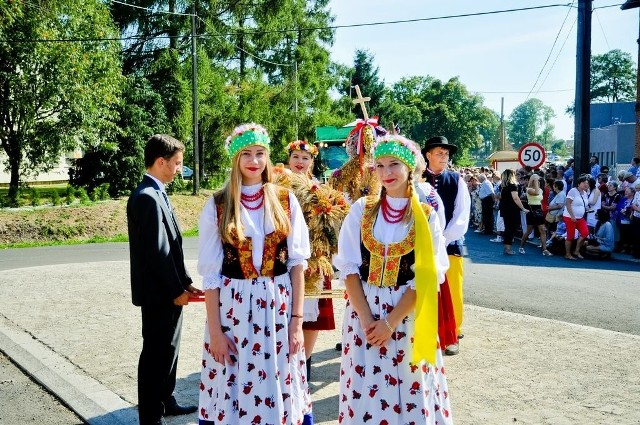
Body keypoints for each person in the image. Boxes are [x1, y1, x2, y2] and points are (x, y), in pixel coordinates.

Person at [197, 124, 313, 425]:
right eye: (246, 153)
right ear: (235, 159)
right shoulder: (218, 205)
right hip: (233, 311)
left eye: (260, 153)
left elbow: (297, 265)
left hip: (278, 307)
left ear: (267, 156)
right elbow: (211, 276)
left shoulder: (286, 200)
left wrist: (297, 323)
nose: (254, 160)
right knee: (235, 383)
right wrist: (216, 333)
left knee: (277, 380)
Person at [334, 134, 452, 424]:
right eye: (381, 166)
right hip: (364, 311)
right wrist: (367, 320)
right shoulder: (361, 210)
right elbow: (348, 267)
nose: (386, 173)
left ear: (410, 168)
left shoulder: (425, 217)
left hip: (407, 315)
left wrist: (390, 322)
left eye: (394, 165)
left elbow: (426, 278)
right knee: (365, 389)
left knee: (409, 384)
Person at [127, 134, 203, 425]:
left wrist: (184, 281)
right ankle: (150, 416)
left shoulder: (156, 192)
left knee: (169, 349)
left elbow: (172, 246)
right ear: (161, 162)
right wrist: (175, 289)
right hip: (159, 293)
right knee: (156, 355)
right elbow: (157, 252)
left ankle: (165, 400)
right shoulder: (147, 197)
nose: (179, 170)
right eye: (177, 164)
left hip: (170, 289)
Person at [285, 140, 341, 379]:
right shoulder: (276, 184)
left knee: (312, 319)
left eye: (305, 158)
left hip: (315, 261)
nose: (300, 162)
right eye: (296, 157)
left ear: (312, 162)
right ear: (289, 159)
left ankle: (303, 370)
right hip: (285, 258)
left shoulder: (320, 189)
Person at [422, 136, 470, 356]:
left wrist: (444, 238)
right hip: (421, 244)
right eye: (439, 153)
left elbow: (462, 214)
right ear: (428, 155)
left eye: (446, 154)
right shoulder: (416, 179)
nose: (444, 157)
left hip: (450, 243)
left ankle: (453, 332)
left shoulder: (456, 179)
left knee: (453, 289)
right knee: (421, 288)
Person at [518, 174, 552, 256]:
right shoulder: (529, 189)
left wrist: (542, 210)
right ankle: (521, 246)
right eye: (537, 181)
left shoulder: (540, 190)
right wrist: (535, 179)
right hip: (531, 211)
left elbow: (540, 200)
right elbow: (536, 193)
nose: (539, 182)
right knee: (529, 231)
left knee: (542, 230)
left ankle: (545, 250)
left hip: (538, 211)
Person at [499, 169, 529, 255]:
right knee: (511, 228)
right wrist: (523, 208)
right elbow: (515, 198)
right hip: (511, 209)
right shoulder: (513, 186)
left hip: (505, 208)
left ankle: (507, 247)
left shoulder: (503, 186)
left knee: (508, 227)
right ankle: (508, 248)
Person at [562, 174, 591, 260]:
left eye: (587, 183)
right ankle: (567, 254)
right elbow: (568, 203)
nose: (586, 184)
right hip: (570, 217)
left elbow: (584, 204)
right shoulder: (573, 191)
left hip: (580, 217)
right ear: (578, 183)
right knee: (570, 236)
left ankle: (576, 251)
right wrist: (572, 216)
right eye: (584, 182)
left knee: (585, 233)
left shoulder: (585, 193)